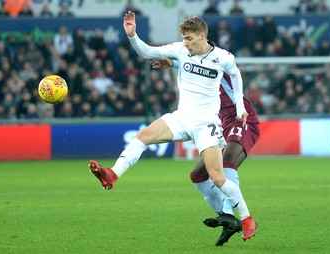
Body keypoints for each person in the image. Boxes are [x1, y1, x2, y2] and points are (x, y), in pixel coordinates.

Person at [89, 11, 256, 242]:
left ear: (202, 35)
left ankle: (246, 218)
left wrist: (239, 106)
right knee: (143, 135)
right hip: (182, 117)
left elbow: (236, 75)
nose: (185, 43)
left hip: (206, 123)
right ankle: (113, 174)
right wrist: (132, 35)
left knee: (217, 177)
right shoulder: (179, 50)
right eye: (184, 38)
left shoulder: (222, 57)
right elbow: (147, 51)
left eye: (189, 38)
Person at [151, 58, 260, 246]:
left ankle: (228, 213)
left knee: (227, 163)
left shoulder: (215, 66)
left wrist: (174, 62)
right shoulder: (196, 83)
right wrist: (172, 63)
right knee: (198, 175)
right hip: (219, 127)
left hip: (241, 121)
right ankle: (228, 220)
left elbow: (200, 67)